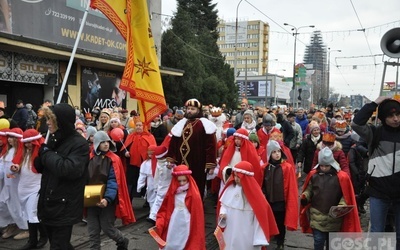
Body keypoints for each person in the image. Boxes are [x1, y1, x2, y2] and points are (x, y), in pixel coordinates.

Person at [33, 103, 90, 249]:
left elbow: (68, 169)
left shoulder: (79, 144)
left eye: (50, 119)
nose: (47, 123)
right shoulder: (53, 139)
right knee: (59, 244)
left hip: (65, 205)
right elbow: (41, 167)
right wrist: (41, 154)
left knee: (58, 245)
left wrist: (47, 154)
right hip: (49, 201)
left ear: (61, 121)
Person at [351, 97, 400, 247]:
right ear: (383, 118)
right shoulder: (374, 133)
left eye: (398, 114)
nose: (396, 119)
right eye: (391, 116)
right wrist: (374, 104)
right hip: (378, 191)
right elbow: (356, 123)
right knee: (376, 232)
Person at [300, 147, 361, 250]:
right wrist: (305, 196)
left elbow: (345, 195)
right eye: (322, 165)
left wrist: (341, 206)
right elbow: (309, 189)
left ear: (331, 164)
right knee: (318, 241)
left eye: (326, 166)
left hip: (333, 217)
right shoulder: (313, 175)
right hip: (316, 215)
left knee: (331, 243)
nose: (324, 168)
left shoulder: (341, 177)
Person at [86, 131, 134, 250]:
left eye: (107, 141)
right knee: (93, 230)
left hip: (107, 200)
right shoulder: (88, 157)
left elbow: (114, 181)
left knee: (107, 227)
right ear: (97, 143)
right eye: (102, 142)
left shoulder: (113, 159)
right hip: (90, 198)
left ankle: (122, 240)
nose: (106, 144)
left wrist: (107, 198)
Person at [218, 161, 279, 250]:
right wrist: (222, 213)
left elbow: (260, 218)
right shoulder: (230, 190)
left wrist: (259, 238)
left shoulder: (255, 195)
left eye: (238, 177)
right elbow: (224, 205)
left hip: (246, 233)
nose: (236, 179)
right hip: (230, 231)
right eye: (235, 176)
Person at [166, 98, 217, 197]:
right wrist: (171, 159)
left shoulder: (204, 124)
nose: (189, 111)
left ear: (198, 110)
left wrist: (210, 164)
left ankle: (196, 207)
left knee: (197, 186)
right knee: (180, 186)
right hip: (181, 162)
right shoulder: (182, 123)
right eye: (188, 108)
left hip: (198, 162)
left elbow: (211, 146)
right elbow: (173, 143)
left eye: (192, 109)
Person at [12, 129, 48, 249]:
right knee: (28, 214)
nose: (28, 145)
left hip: (36, 187)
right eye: (26, 143)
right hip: (24, 187)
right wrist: (15, 168)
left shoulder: (40, 154)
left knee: (32, 212)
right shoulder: (23, 153)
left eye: (30, 142)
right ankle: (42, 235)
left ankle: (34, 240)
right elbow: (20, 168)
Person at [156, 164, 205, 250]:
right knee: (172, 233)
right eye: (179, 181)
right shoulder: (173, 192)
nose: (182, 183)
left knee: (185, 235)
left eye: (184, 181)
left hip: (187, 218)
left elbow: (197, 212)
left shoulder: (193, 193)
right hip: (174, 218)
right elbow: (165, 207)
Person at [262, 140, 299, 249]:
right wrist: (263, 194)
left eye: (278, 151)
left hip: (281, 200)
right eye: (274, 152)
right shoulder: (265, 168)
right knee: (269, 221)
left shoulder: (287, 167)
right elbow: (261, 183)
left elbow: (291, 186)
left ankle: (280, 242)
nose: (277, 154)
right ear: (269, 154)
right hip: (268, 200)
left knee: (280, 222)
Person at [123, 119, 156, 200]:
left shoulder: (150, 136)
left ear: (144, 127)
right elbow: (125, 147)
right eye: (136, 125)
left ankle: (148, 202)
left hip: (146, 163)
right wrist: (125, 153)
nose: (138, 127)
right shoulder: (130, 136)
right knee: (131, 182)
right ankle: (129, 201)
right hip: (132, 164)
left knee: (148, 182)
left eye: (140, 125)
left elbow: (154, 149)